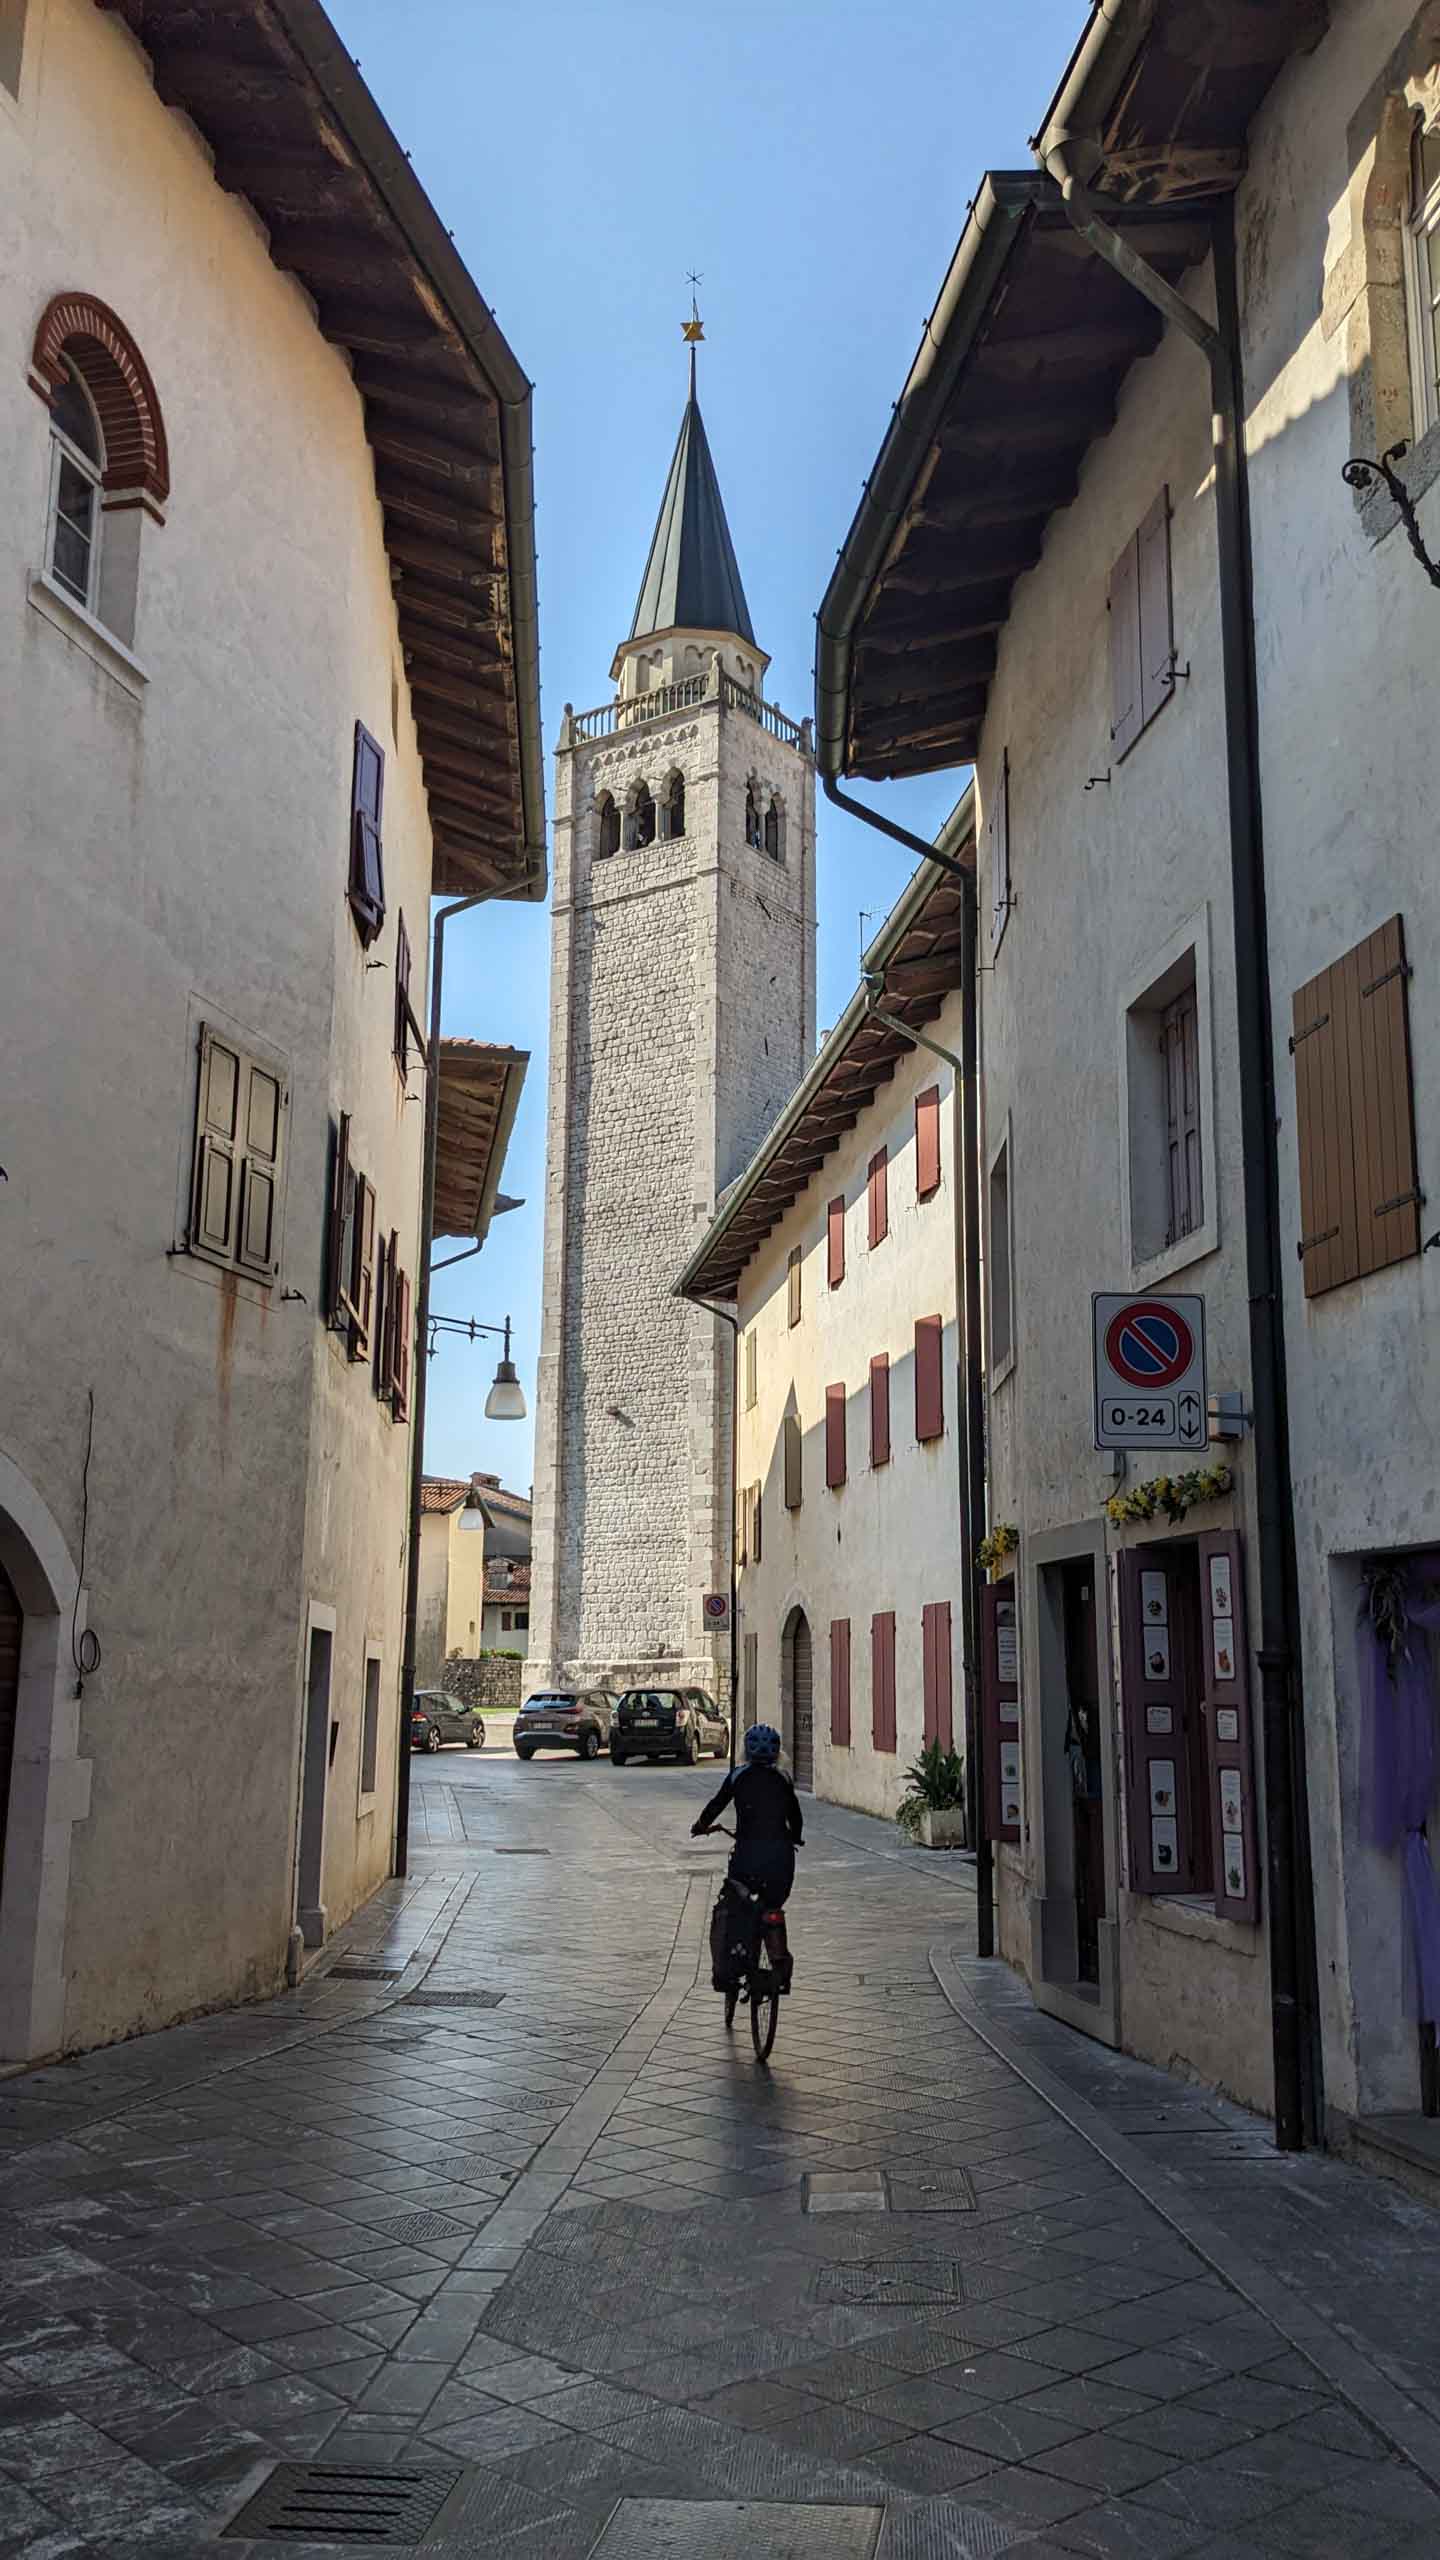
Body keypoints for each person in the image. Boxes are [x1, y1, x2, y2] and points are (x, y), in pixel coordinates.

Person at [692, 1723, 803, 1987]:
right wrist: (795, 1837)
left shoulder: (737, 1776)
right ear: (778, 1753)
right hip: (780, 1862)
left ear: (745, 1751)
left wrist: (700, 1825)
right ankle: (779, 1960)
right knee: (773, 1905)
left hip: (746, 1859)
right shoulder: (784, 1779)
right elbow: (796, 1817)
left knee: (737, 1905)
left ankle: (735, 1962)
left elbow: (716, 1804)